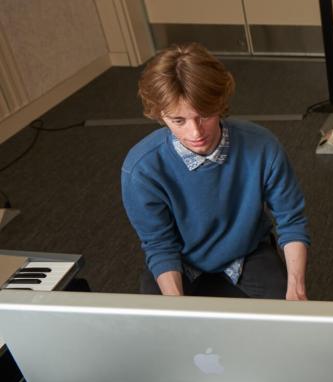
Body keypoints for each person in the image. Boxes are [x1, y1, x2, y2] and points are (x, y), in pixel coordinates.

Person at [121, 43, 310, 300]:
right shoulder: (141, 168)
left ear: (220, 103)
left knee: (283, 326)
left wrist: (296, 289)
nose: (195, 133)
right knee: (163, 331)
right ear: (160, 115)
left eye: (204, 115)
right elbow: (159, 244)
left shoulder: (263, 146)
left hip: (248, 252)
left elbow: (291, 220)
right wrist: (176, 307)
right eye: (179, 121)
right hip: (180, 259)